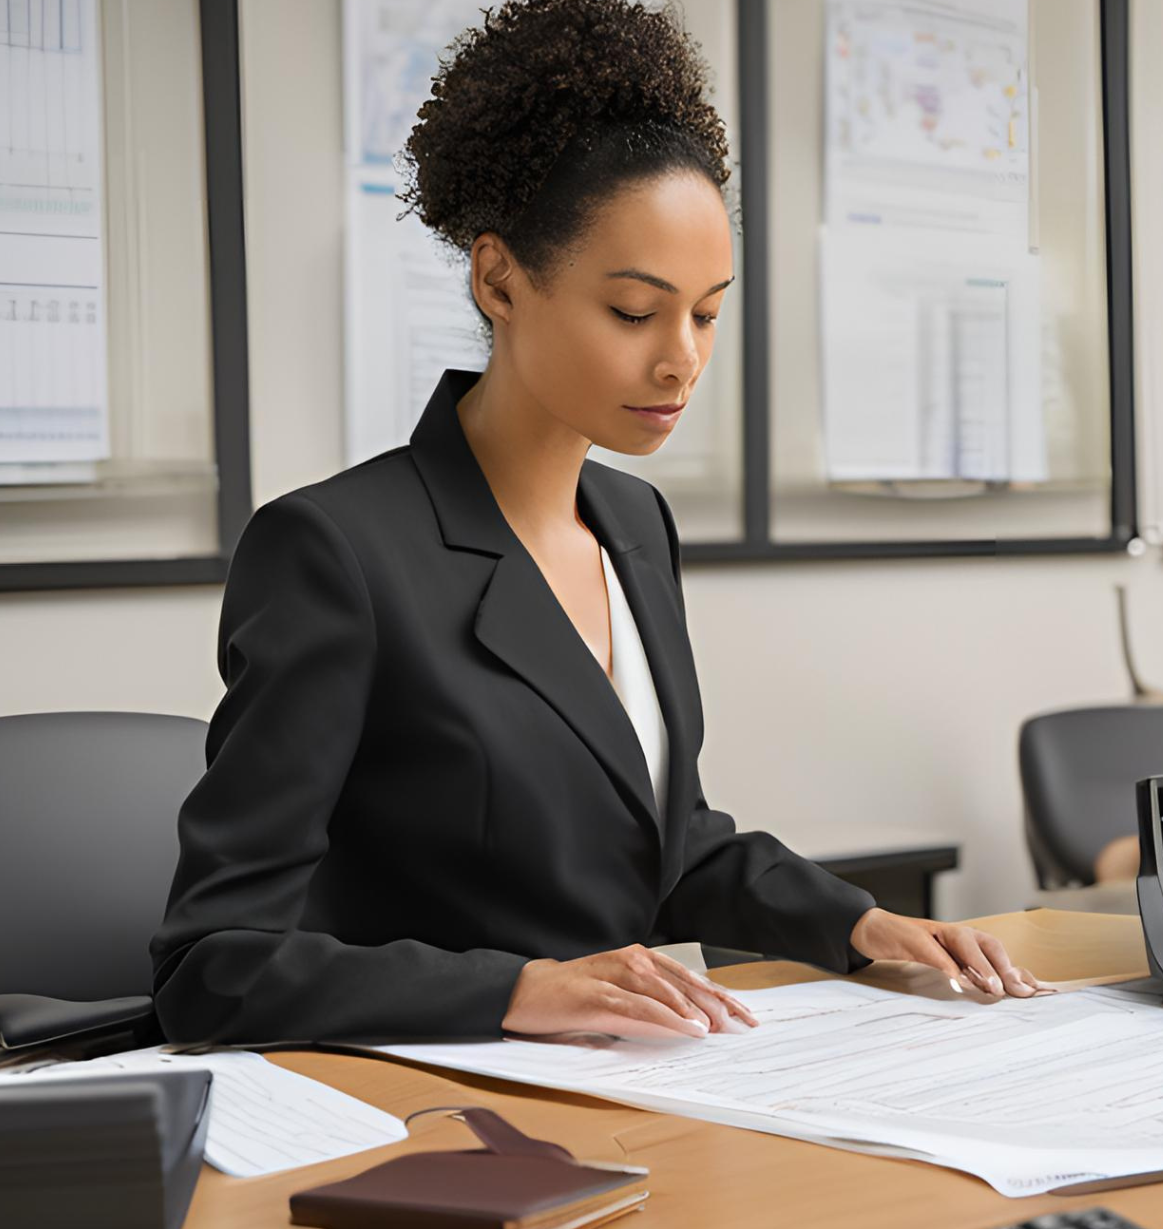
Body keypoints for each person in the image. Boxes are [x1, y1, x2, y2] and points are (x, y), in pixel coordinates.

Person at [150, 0, 1044, 1046]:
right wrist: (515, 991)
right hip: (446, 1106)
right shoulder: (335, 552)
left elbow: (671, 846)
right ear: (498, 280)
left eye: (706, 312)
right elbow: (215, 967)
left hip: (640, 1082)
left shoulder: (631, 521)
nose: (681, 360)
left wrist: (862, 923)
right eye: (633, 312)